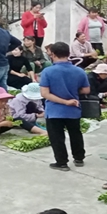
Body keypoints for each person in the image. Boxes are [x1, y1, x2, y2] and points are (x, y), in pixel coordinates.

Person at [39, 42, 90, 171]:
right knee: (75, 134)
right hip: (73, 109)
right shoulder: (79, 71)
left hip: (54, 110)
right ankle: (79, 158)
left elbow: (45, 93)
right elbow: (86, 90)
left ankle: (62, 162)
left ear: (53, 54)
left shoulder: (48, 71)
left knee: (57, 137)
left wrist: (63, 101)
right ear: (68, 54)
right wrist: (72, 93)